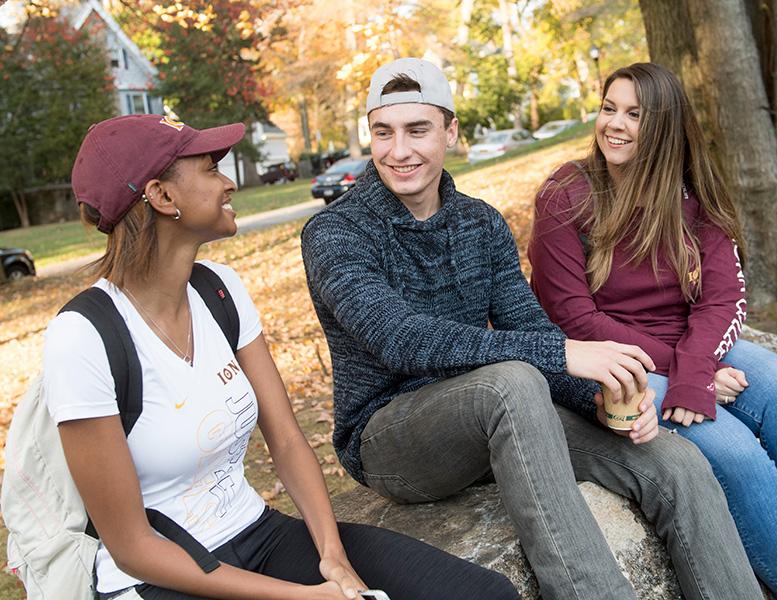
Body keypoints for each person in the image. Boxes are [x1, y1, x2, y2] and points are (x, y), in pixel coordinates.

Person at [301, 57, 764, 600]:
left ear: (451, 132)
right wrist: (566, 354)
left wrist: (598, 397)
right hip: (392, 437)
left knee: (674, 462)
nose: (399, 151)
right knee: (514, 380)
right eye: (384, 133)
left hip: (503, 418)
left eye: (417, 130)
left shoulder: (481, 222)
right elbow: (400, 338)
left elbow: (525, 322)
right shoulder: (334, 233)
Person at [46, 113, 521, 600]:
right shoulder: (82, 337)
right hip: (162, 577)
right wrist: (304, 596)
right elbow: (132, 548)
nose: (228, 182)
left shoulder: (221, 292)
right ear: (163, 196)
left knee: (484, 593)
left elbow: (289, 441)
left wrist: (332, 557)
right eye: (210, 170)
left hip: (260, 535)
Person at [528, 62, 777, 600]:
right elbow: (573, 318)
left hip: (691, 346)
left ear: (667, 126)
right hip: (612, 360)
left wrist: (697, 365)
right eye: (610, 109)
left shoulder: (691, 193)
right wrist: (689, 371)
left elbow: (723, 296)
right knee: (736, 449)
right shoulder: (567, 194)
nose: (616, 125)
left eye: (636, 115)